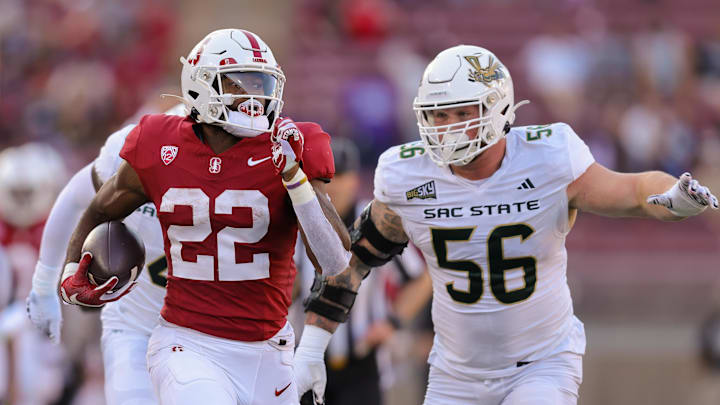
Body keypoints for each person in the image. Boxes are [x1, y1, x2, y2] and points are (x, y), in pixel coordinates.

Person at [292, 45, 719, 405]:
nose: (443, 128)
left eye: (458, 112)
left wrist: (673, 198)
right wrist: (312, 345)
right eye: (436, 115)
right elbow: (353, 262)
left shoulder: (549, 157)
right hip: (455, 373)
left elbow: (634, 191)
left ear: (495, 109)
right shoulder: (407, 175)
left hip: (542, 362)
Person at [56, 28, 350, 405]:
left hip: (269, 351)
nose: (255, 96)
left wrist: (295, 177)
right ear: (201, 85)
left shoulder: (290, 145)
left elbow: (335, 262)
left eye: (262, 83)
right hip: (188, 342)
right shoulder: (158, 142)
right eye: (241, 81)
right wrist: (70, 269)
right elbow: (101, 207)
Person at [26, 103, 186, 405]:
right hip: (135, 325)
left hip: (216, 330)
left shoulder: (254, 155)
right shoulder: (138, 145)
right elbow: (75, 197)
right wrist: (45, 281)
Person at [290, 138, 430, 405]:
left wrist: (392, 322)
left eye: (339, 176)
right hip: (303, 355)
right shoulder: (297, 223)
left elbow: (421, 279)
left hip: (360, 362)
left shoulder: (373, 221)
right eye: (324, 178)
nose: (333, 186)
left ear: (354, 179)